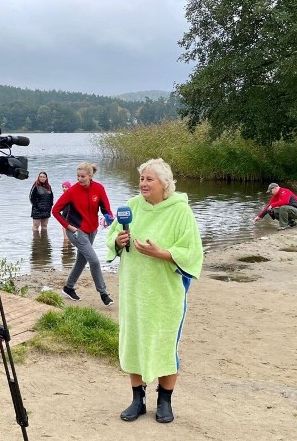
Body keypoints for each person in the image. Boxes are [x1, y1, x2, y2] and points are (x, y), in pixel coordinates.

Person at [105, 158, 203, 424]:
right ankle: (137, 399)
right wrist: (117, 240)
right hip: (134, 289)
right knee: (134, 340)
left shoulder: (180, 211)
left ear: (165, 183)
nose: (143, 184)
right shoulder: (131, 207)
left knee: (164, 343)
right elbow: (111, 236)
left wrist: (163, 253)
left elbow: (193, 250)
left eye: (149, 179)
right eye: (141, 179)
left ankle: (165, 401)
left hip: (164, 292)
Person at [51, 163, 114, 305]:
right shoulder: (72, 191)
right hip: (76, 231)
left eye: (83, 176)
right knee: (94, 261)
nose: (79, 179)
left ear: (90, 176)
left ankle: (68, 287)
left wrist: (109, 217)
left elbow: (105, 208)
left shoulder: (99, 188)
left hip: (92, 230)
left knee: (82, 260)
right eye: (78, 176)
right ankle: (103, 293)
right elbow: (55, 211)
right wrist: (68, 226)